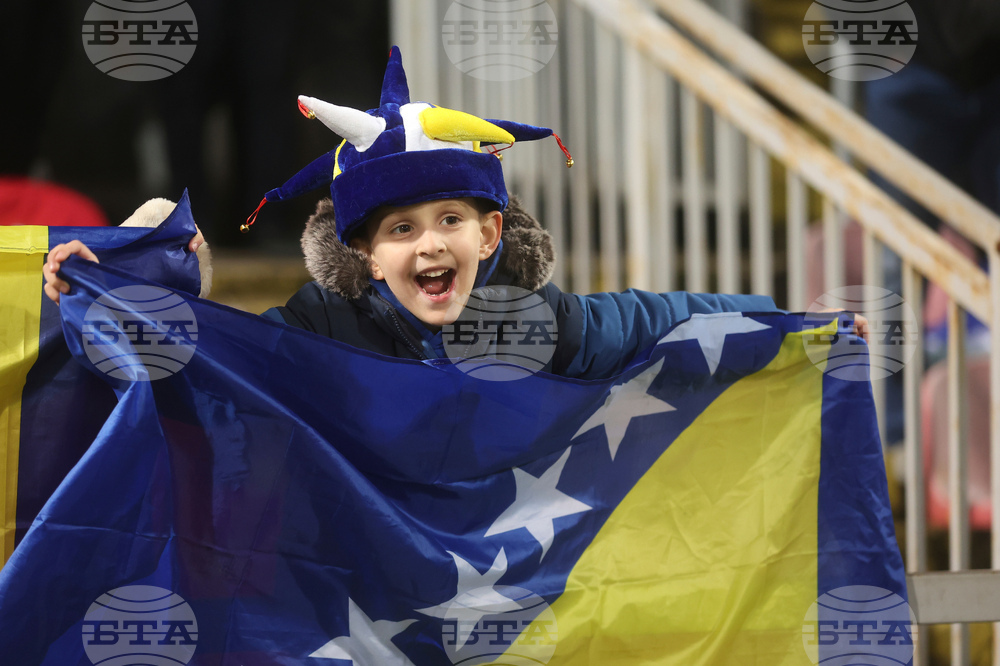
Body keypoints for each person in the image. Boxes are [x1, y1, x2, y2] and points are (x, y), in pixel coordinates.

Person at [44, 47, 868, 379]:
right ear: (365, 254)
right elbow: (219, 366)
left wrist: (798, 326)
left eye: (449, 219)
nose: (429, 243)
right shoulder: (320, 327)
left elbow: (671, 322)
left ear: (492, 233)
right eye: (400, 229)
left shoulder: (542, 322)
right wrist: (114, 288)